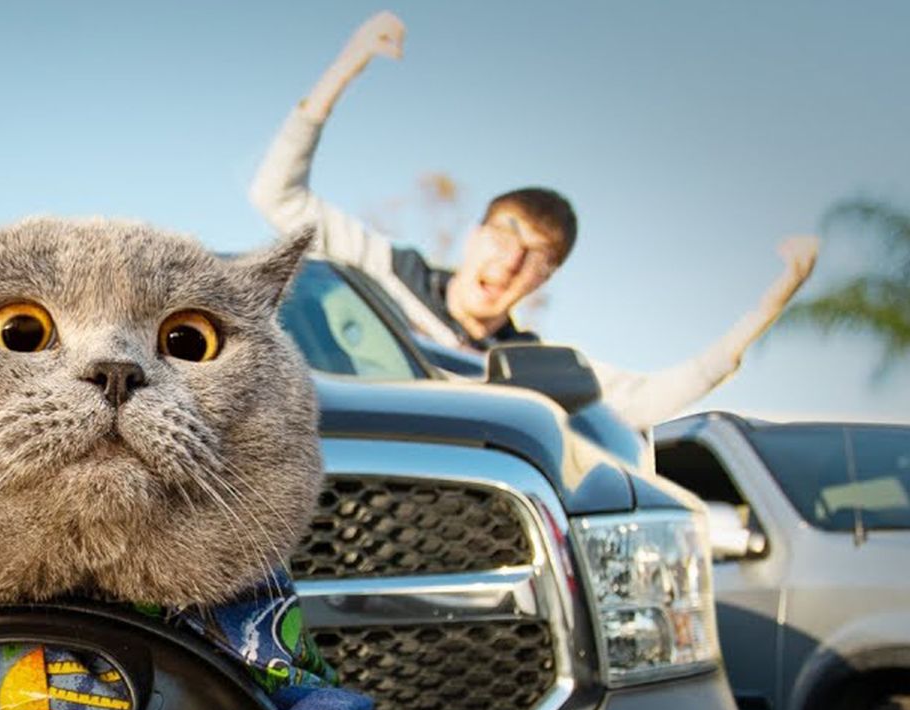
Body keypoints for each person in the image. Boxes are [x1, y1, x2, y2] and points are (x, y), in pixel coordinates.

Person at [248, 10, 821, 431]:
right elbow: (279, 195)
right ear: (476, 237)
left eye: (538, 259)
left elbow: (648, 400)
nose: (512, 262)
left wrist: (777, 298)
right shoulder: (385, 269)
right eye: (507, 237)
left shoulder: (526, 365)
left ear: (543, 280)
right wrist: (350, 62)